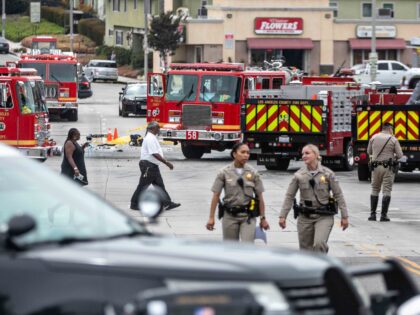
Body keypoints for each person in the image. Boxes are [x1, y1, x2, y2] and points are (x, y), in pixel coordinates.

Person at [279, 144, 349, 253]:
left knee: (319, 244)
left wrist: (344, 216)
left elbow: (338, 195)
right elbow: (289, 196)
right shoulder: (299, 175)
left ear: (316, 155)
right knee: (305, 251)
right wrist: (283, 216)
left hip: (323, 216)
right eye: (302, 154)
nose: (303, 156)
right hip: (304, 217)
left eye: (307, 153)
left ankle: (321, 262)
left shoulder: (328, 174)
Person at [206, 142, 269, 242]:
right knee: (230, 250)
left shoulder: (253, 173)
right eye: (243, 152)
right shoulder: (224, 172)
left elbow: (260, 197)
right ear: (234, 154)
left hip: (247, 217)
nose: (246, 155)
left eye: (248, 153)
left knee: (247, 248)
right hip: (229, 216)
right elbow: (216, 195)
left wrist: (263, 218)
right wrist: (211, 218)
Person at [130, 121, 180, 211]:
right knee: (143, 185)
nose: (159, 129)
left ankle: (167, 203)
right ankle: (134, 204)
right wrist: (166, 162)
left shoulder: (152, 137)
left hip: (152, 166)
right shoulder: (150, 138)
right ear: (152, 128)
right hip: (148, 166)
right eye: (157, 128)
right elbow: (154, 153)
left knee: (160, 186)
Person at [367, 122, 404, 222]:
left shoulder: (373, 137)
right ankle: (383, 215)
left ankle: (372, 215)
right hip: (387, 168)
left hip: (375, 167)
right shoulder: (393, 139)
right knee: (386, 190)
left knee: (374, 189)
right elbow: (400, 155)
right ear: (390, 129)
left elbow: (369, 152)